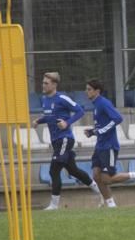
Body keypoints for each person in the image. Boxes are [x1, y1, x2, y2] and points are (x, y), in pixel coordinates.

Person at [33, 72, 102, 210]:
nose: (43, 85)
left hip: (65, 139)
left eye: (46, 83)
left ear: (54, 84)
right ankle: (100, 192)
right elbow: (49, 116)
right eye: (43, 82)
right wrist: (38, 121)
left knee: (54, 171)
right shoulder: (45, 99)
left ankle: (54, 205)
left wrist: (67, 123)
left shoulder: (62, 98)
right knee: (73, 171)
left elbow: (80, 111)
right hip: (56, 141)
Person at [83, 79, 135, 208]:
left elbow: (118, 118)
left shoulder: (103, 103)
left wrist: (100, 131)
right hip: (100, 146)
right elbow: (102, 126)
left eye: (89, 89)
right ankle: (110, 204)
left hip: (108, 146)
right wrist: (92, 132)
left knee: (108, 178)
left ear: (97, 91)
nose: (86, 92)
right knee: (96, 176)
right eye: (86, 89)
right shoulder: (96, 105)